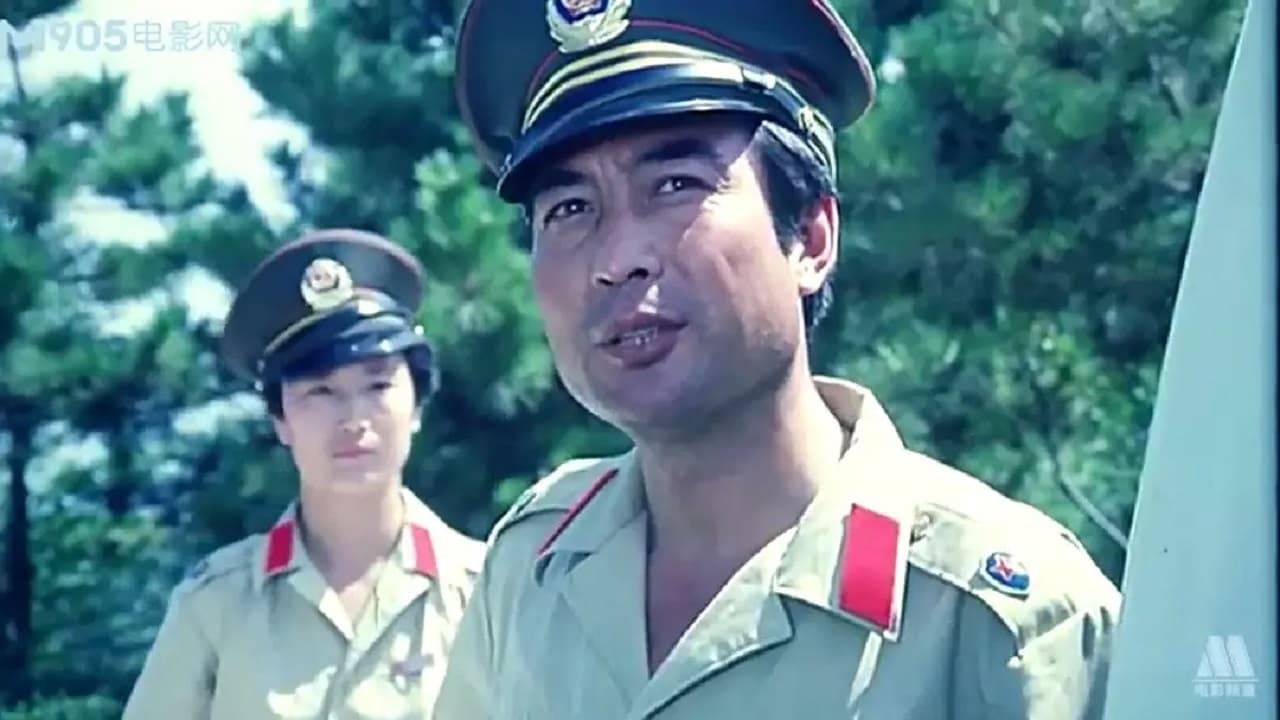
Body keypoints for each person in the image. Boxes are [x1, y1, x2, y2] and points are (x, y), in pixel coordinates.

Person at [434, 0, 1124, 718]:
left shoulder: (1001, 622)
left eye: (675, 185)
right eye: (570, 209)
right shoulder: (531, 568)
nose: (618, 259)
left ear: (812, 239)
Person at [123, 229, 485, 719]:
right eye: (320, 392)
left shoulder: (486, 591)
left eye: (377, 386)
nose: (353, 419)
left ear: (417, 405)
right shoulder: (216, 604)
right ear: (281, 420)